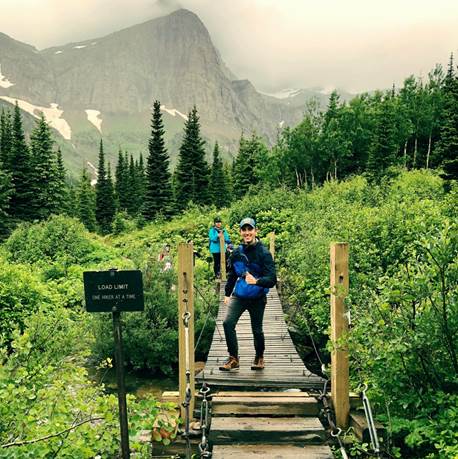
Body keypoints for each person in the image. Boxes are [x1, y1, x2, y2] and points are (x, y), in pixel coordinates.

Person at [219, 217, 277, 371]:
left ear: (255, 231)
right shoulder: (237, 252)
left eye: (249, 229)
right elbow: (232, 274)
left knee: (256, 330)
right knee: (227, 323)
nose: (247, 233)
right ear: (240, 232)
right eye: (244, 230)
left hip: (258, 297)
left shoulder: (264, 254)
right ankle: (233, 358)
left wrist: (257, 282)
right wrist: (227, 293)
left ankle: (259, 357)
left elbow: (272, 279)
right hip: (240, 295)